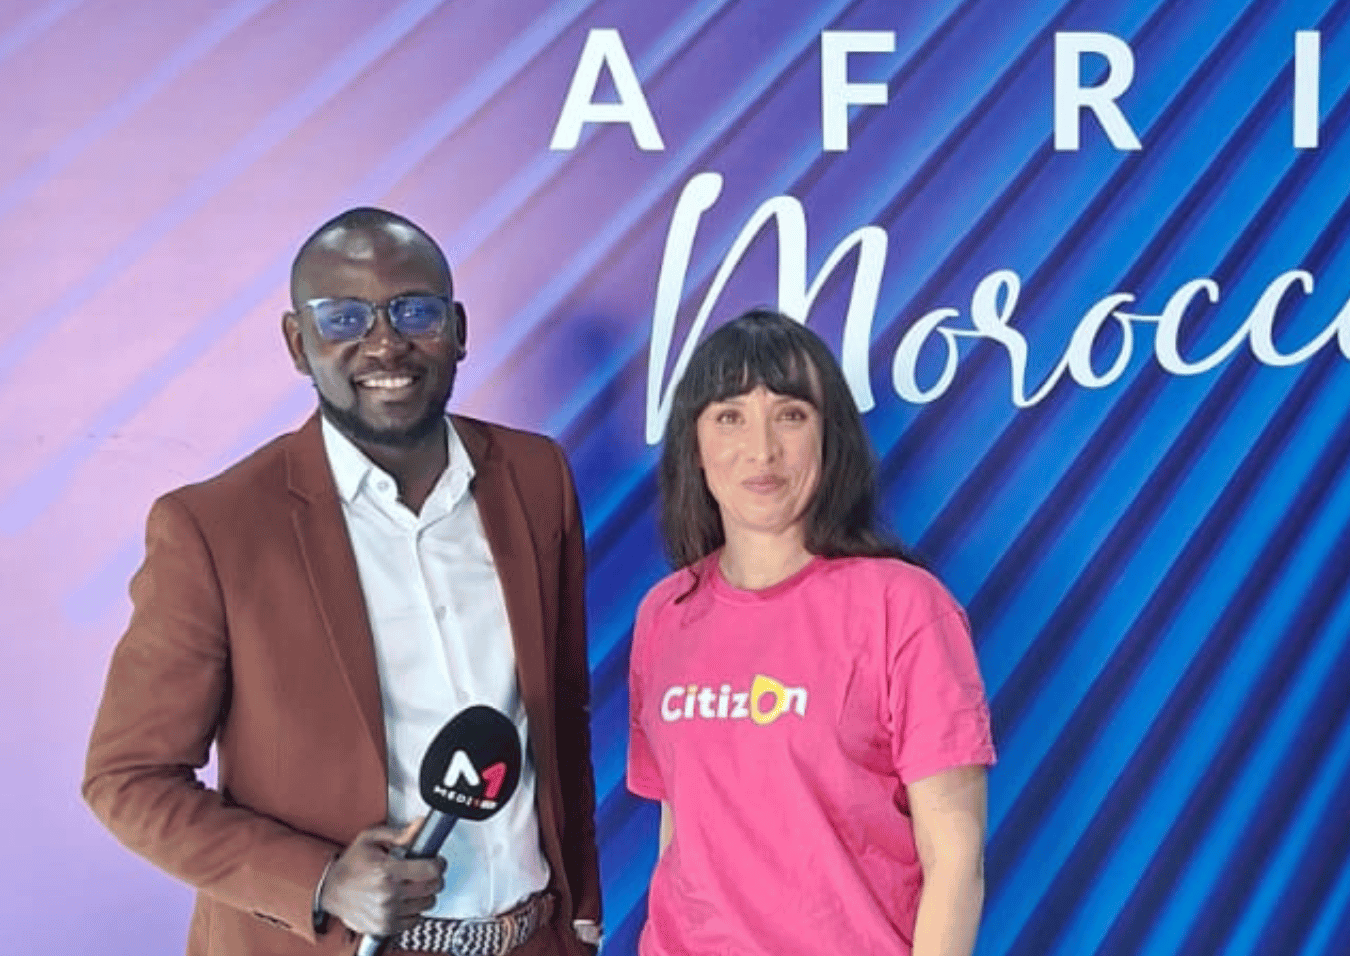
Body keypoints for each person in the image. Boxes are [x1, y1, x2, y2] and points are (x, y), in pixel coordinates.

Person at [82, 208, 604, 955]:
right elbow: (128, 777)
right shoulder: (215, 528)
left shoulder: (536, 476)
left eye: (414, 312)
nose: (385, 342)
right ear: (299, 343)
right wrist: (321, 881)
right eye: (344, 318)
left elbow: (562, 712)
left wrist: (581, 913)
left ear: (458, 329)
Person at [627, 309, 996, 956]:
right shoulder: (664, 612)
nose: (762, 449)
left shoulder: (904, 607)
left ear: (831, 437)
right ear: (694, 445)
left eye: (791, 415)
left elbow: (956, 863)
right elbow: (679, 825)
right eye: (730, 417)